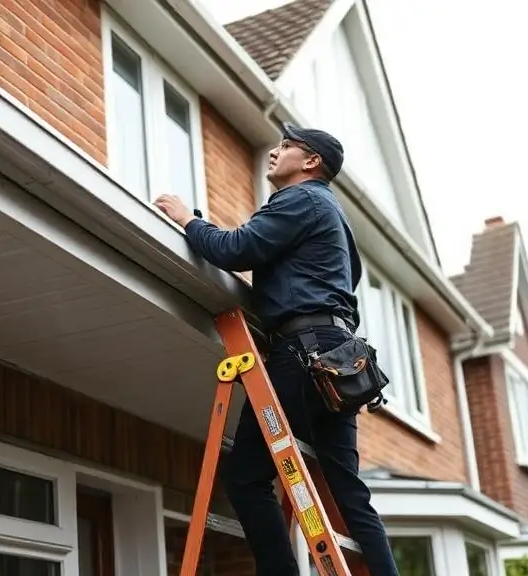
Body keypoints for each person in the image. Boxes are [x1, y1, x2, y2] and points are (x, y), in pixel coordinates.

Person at [153, 123, 399, 576]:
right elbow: (347, 279)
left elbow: (238, 248)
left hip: (305, 353)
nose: (274, 151)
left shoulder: (302, 199)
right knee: (346, 488)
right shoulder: (334, 217)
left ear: (311, 162)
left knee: (245, 477)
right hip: (340, 360)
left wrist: (189, 220)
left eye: (286, 146)